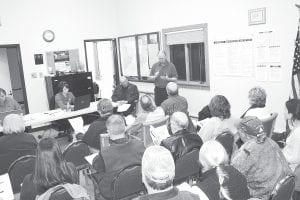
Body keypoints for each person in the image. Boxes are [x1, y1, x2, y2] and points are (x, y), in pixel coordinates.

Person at [231, 116, 292, 200]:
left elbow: (232, 175)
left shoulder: (246, 151)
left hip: (262, 195)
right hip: (281, 190)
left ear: (243, 133)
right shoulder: (271, 142)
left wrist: (234, 148)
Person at [92, 114, 145, 199]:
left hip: (114, 192)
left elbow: (96, 166)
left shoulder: (105, 153)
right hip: (138, 185)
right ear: (125, 128)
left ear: (108, 132)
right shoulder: (140, 144)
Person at [20, 138, 88, 200]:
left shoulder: (29, 180)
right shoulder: (71, 169)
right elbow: (74, 191)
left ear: (38, 156)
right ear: (59, 152)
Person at [282, 99, 300, 171]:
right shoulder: (296, 127)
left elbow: (295, 158)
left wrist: (280, 156)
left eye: (285, 110)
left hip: (291, 168)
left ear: (290, 115)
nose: (283, 112)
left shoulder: (297, 133)